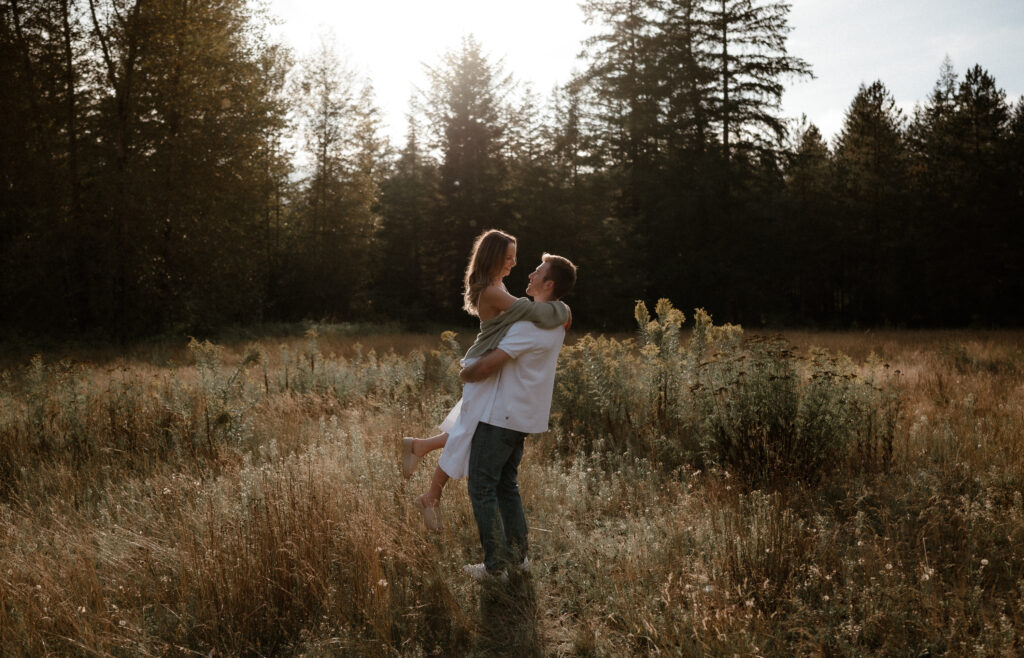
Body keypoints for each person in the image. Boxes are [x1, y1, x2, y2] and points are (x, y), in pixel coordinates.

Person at [400, 230, 570, 531]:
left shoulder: (497, 285)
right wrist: (563, 309)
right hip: (482, 363)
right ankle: (430, 494)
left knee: (467, 427)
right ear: (492, 258)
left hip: (488, 362)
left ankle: (420, 450)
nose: (515, 263)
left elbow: (525, 312)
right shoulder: (492, 292)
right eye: (508, 257)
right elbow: (529, 310)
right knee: (467, 431)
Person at [458, 253, 577, 581]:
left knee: (482, 487)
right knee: (506, 485)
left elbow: (486, 366)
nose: (530, 273)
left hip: (502, 416)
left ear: (548, 284)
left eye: (537, 271)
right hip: (525, 416)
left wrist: (465, 374)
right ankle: (519, 557)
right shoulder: (555, 322)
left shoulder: (528, 326)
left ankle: (495, 567)